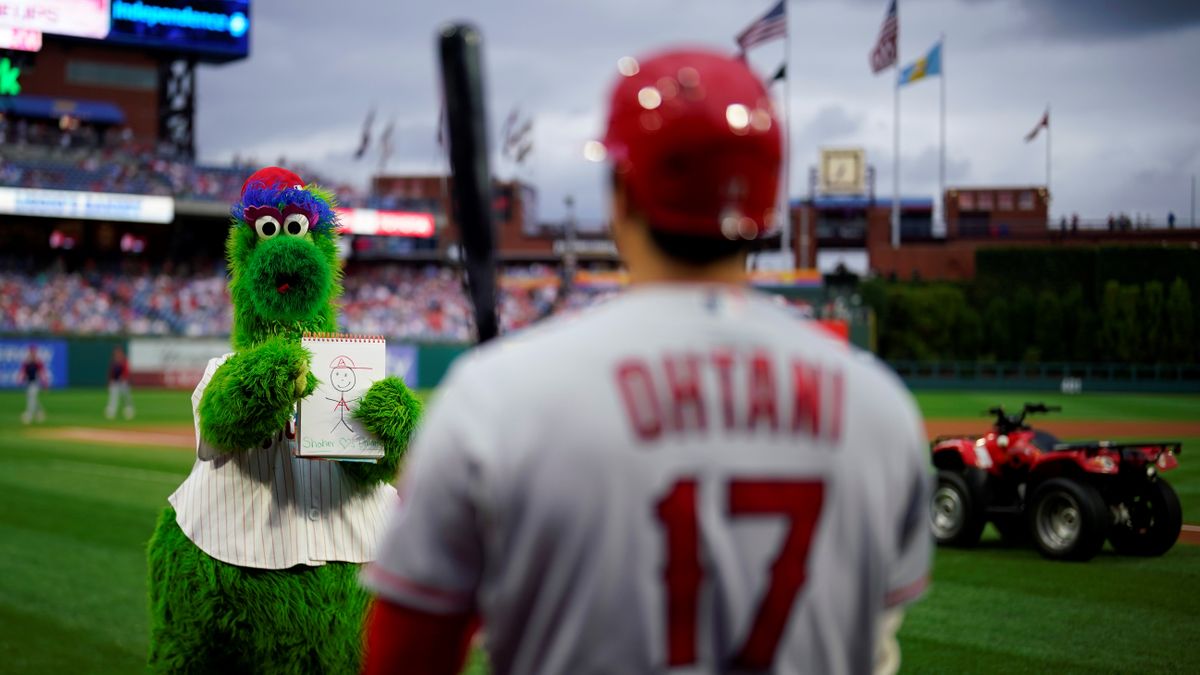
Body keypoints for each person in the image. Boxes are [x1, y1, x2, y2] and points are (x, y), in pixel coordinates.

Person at [362, 49, 932, 675]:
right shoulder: (880, 408)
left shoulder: (497, 397)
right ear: (766, 206)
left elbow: (405, 655)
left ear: (624, 192)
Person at [19, 344, 48, 424]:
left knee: (31, 397)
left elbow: (42, 372)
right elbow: (23, 371)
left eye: (34, 351)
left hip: (35, 382)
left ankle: (29, 415)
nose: (32, 353)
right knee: (33, 397)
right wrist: (20, 379)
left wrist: (44, 382)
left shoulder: (38, 362)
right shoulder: (27, 361)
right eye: (31, 351)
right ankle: (40, 412)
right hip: (28, 381)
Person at [106, 346, 135, 420]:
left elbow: (126, 371)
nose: (117, 354)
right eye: (116, 352)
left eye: (118, 352)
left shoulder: (124, 360)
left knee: (126, 398)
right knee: (113, 398)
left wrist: (124, 377)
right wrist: (110, 380)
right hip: (115, 382)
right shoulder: (113, 361)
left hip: (123, 382)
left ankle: (129, 411)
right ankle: (111, 412)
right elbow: (111, 372)